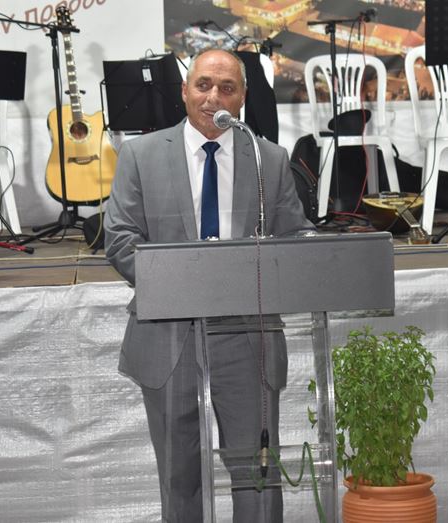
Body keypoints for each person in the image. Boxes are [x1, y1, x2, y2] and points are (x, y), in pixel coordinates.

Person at [104, 48, 315, 522]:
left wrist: (311, 250)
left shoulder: (268, 159)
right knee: (181, 479)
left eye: (227, 87)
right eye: (203, 85)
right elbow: (120, 240)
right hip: (169, 336)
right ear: (184, 91)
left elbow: (294, 236)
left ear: (241, 98)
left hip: (248, 337)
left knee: (257, 475)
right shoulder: (140, 155)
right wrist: (186, 287)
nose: (213, 96)